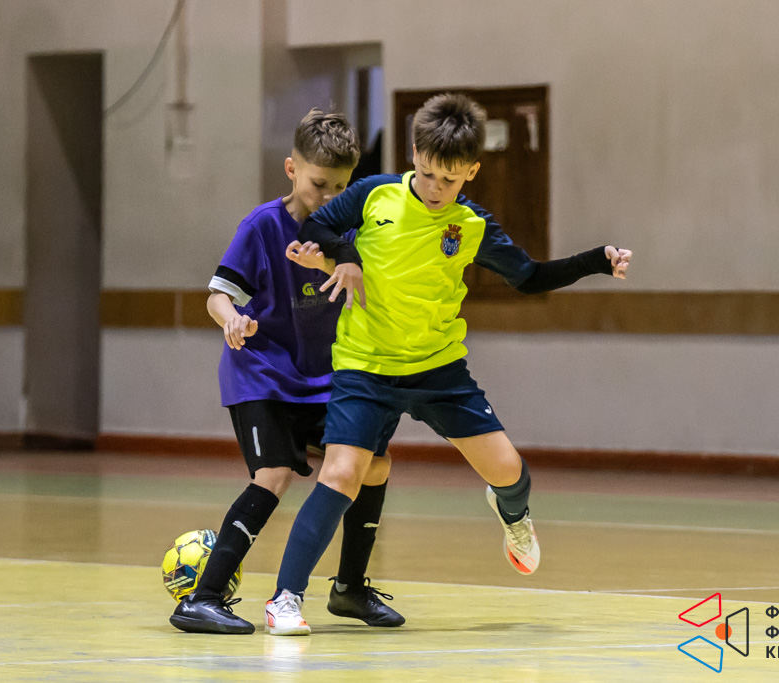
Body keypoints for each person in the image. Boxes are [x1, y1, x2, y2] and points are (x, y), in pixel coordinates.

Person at [271, 92, 633, 635]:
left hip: (438, 370)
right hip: (366, 366)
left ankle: (513, 514)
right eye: (426, 173)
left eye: (449, 178)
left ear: (471, 172)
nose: (436, 188)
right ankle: (285, 599)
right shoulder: (374, 194)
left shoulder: (471, 224)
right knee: (342, 473)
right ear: (414, 154)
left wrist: (595, 262)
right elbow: (314, 227)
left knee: (509, 471)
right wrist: (347, 257)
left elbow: (529, 277)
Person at [169, 109, 404, 635]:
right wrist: (232, 320)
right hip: (262, 376)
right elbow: (217, 295)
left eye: (341, 187)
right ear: (291, 169)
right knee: (273, 476)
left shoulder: (350, 231)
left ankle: (349, 589)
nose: (329, 196)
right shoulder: (261, 227)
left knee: (373, 465)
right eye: (320, 184)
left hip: (324, 381)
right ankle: (202, 599)